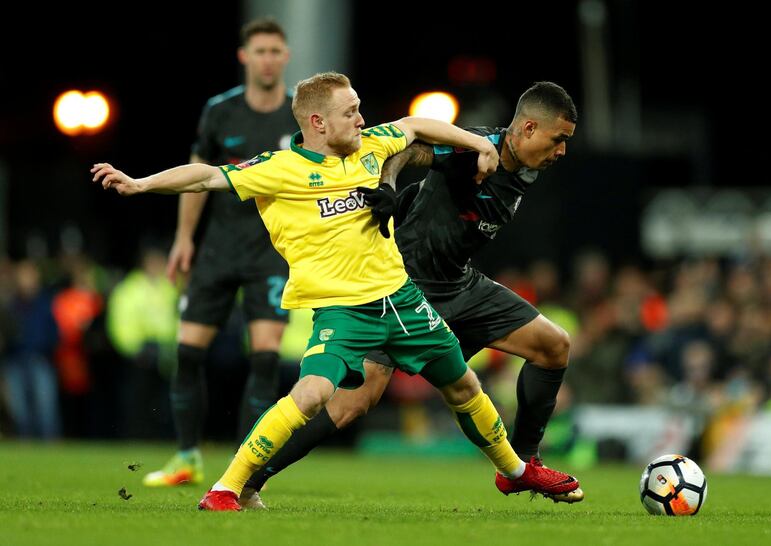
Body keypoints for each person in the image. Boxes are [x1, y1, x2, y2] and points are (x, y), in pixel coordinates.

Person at [92, 71, 576, 512]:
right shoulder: (282, 168)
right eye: (351, 111)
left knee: (493, 372)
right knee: (331, 400)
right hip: (361, 304)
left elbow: (410, 123)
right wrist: (140, 184)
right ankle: (234, 484)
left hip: (416, 294)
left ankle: (519, 469)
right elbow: (206, 175)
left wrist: (472, 142)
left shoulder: (372, 147)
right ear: (319, 122)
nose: (362, 119)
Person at [242, 82, 584, 504]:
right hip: (403, 286)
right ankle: (249, 479)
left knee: (554, 345)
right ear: (528, 128)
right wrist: (386, 184)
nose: (562, 151)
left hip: (460, 283)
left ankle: (525, 465)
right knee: (353, 402)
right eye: (559, 139)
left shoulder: (528, 166)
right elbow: (409, 147)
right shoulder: (473, 149)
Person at [142, 18, 298, 487]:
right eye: (260, 50)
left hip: (271, 251)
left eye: (275, 50)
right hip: (217, 250)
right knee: (188, 353)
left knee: (265, 358)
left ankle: (243, 469)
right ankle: (186, 456)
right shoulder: (220, 112)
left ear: (285, 56)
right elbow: (196, 180)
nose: (268, 58)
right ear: (244, 57)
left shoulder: (299, 116)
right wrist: (184, 239)